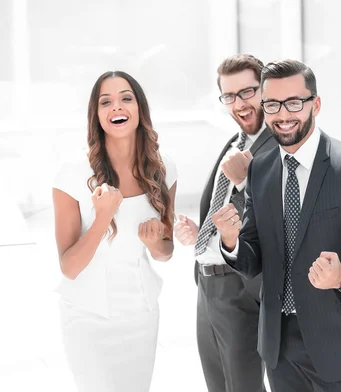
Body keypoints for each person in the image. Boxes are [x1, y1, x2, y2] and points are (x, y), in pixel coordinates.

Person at [213, 59, 341, 392]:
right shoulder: (261, 169)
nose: (283, 114)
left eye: (294, 103)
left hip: (340, 342)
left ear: (316, 104)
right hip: (278, 345)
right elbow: (255, 255)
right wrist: (231, 242)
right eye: (272, 104)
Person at [52, 71, 177, 391]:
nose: (116, 107)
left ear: (139, 108)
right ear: (96, 115)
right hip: (87, 316)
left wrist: (153, 244)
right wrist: (101, 218)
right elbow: (69, 267)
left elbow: (166, 251)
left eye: (125, 98)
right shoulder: (72, 172)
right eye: (105, 101)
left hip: (141, 315)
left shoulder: (163, 168)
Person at [173, 54, 277, 392]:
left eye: (247, 92)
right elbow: (224, 208)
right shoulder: (235, 142)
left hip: (241, 284)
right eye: (229, 96)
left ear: (265, 90)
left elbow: (281, 213)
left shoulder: (279, 143)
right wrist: (200, 233)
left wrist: (247, 181)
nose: (240, 104)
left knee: (243, 385)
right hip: (208, 285)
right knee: (218, 385)